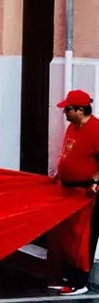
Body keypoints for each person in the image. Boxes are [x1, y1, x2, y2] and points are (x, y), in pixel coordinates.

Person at [49, 89, 99, 296]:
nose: (64, 113)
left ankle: (80, 282)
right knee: (69, 236)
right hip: (68, 191)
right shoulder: (73, 126)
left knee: (83, 237)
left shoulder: (95, 129)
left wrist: (96, 179)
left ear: (80, 110)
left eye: (67, 109)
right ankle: (69, 276)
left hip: (86, 193)